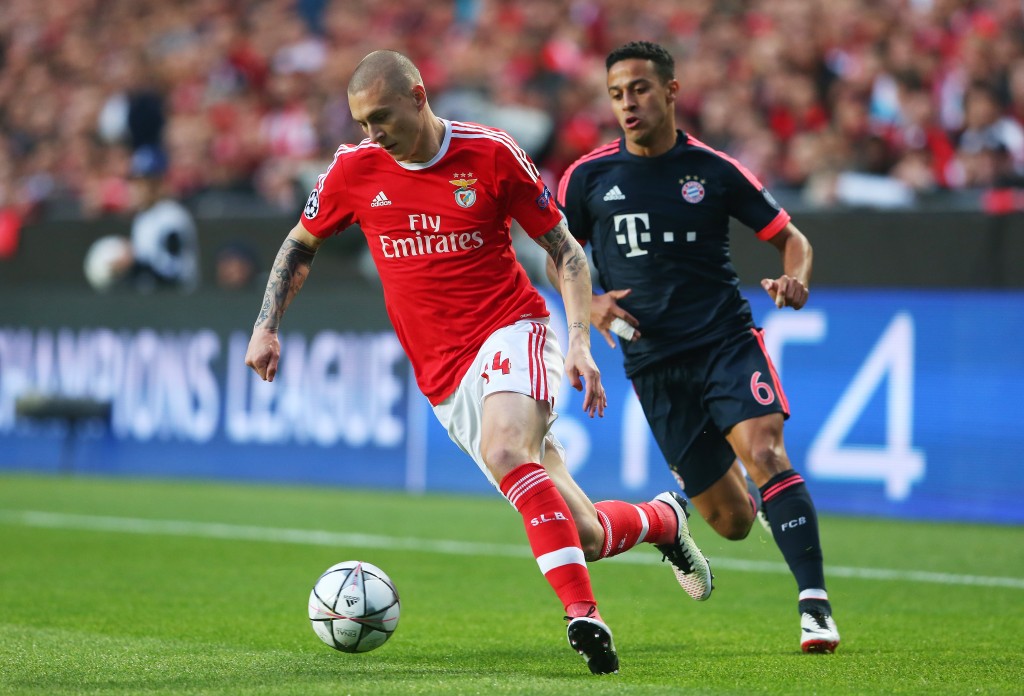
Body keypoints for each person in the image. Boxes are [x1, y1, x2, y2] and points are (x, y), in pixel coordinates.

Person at [243, 49, 713, 676]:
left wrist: (577, 338)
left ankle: (583, 616)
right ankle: (664, 521)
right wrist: (266, 325)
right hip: (444, 378)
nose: (371, 133)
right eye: (360, 122)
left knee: (505, 452)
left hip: (513, 330)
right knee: (587, 534)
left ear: (418, 96)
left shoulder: (489, 153)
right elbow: (301, 243)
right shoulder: (354, 169)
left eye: (380, 116)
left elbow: (565, 251)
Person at [553, 41, 840, 654]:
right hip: (653, 363)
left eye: (640, 89)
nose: (628, 103)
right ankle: (673, 518)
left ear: (671, 91)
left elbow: (793, 239)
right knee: (733, 522)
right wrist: (590, 304)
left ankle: (814, 607)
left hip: (724, 341)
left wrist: (797, 278)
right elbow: (558, 253)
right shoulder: (588, 178)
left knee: (765, 452)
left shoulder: (713, 171)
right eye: (616, 94)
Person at [123, 145, 200, 292]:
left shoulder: (172, 217)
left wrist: (135, 265)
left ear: (159, 184)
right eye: (135, 182)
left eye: (144, 183)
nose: (136, 189)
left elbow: (175, 273)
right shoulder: (142, 217)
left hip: (176, 303)